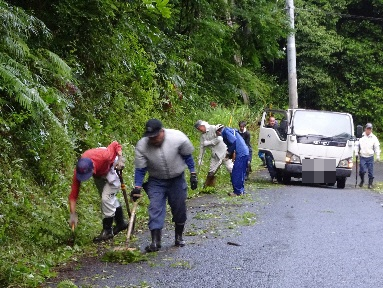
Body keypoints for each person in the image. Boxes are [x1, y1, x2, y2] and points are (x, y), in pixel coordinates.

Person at [133, 119, 198, 252]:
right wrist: (137, 187)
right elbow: (140, 169)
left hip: (177, 178)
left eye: (156, 136)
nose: (153, 140)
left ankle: (179, 237)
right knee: (155, 207)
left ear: (162, 132)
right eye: (150, 137)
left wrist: (193, 173)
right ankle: (155, 242)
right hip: (156, 181)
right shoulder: (142, 146)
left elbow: (188, 156)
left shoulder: (177, 138)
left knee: (179, 206)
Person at [68, 141, 127, 243]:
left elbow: (115, 144)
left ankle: (107, 230)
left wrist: (121, 159)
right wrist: (73, 214)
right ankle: (121, 223)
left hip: (112, 166)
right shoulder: (79, 170)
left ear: (92, 168)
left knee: (106, 197)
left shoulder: (105, 156)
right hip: (100, 173)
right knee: (107, 198)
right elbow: (73, 195)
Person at [194, 120, 233, 187]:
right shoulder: (202, 136)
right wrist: (200, 159)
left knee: (230, 168)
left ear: (202, 126)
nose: (199, 130)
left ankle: (236, 183)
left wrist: (209, 143)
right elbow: (202, 147)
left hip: (224, 152)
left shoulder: (213, 128)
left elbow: (220, 138)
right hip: (215, 154)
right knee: (211, 172)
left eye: (199, 128)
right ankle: (208, 187)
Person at [215, 124, 249, 196]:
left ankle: (237, 192)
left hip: (241, 153)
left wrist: (230, 152)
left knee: (236, 173)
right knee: (241, 173)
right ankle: (241, 190)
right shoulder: (231, 130)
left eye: (217, 133)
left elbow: (233, 141)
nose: (218, 135)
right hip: (245, 152)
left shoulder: (225, 132)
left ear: (218, 131)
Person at [356, 123, 380, 189]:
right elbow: (357, 145)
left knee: (370, 171)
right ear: (365, 129)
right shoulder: (361, 137)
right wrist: (356, 153)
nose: (368, 130)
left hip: (370, 156)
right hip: (362, 156)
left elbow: (376, 147)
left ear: (371, 130)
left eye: (370, 129)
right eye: (367, 129)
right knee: (362, 170)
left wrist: (377, 155)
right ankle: (362, 180)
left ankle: (370, 184)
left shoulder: (374, 138)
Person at [265, 116, 279, 183]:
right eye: (271, 121)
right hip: (268, 149)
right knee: (269, 164)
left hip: (276, 149)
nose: (272, 122)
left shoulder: (278, 128)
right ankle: (273, 177)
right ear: (269, 121)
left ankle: (277, 177)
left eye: (273, 121)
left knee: (277, 164)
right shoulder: (266, 128)